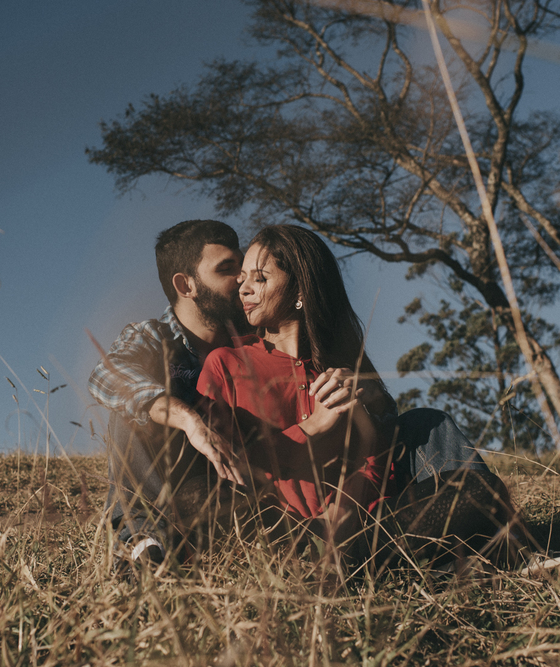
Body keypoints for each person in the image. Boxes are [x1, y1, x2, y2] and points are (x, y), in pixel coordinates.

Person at [196, 225, 521, 571]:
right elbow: (224, 468)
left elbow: (373, 461)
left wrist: (345, 506)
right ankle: (461, 562)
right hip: (289, 537)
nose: (243, 288)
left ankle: (493, 552)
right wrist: (313, 426)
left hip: (368, 531)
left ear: (300, 293)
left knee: (476, 487)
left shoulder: (338, 372)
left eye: (259, 278)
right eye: (243, 277)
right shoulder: (226, 365)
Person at [87, 219, 249, 567]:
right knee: (135, 406)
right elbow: (107, 375)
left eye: (243, 266)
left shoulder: (255, 336)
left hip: (246, 482)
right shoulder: (153, 337)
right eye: (226, 269)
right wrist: (189, 420)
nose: (242, 279)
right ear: (186, 284)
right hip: (173, 487)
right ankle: (146, 547)